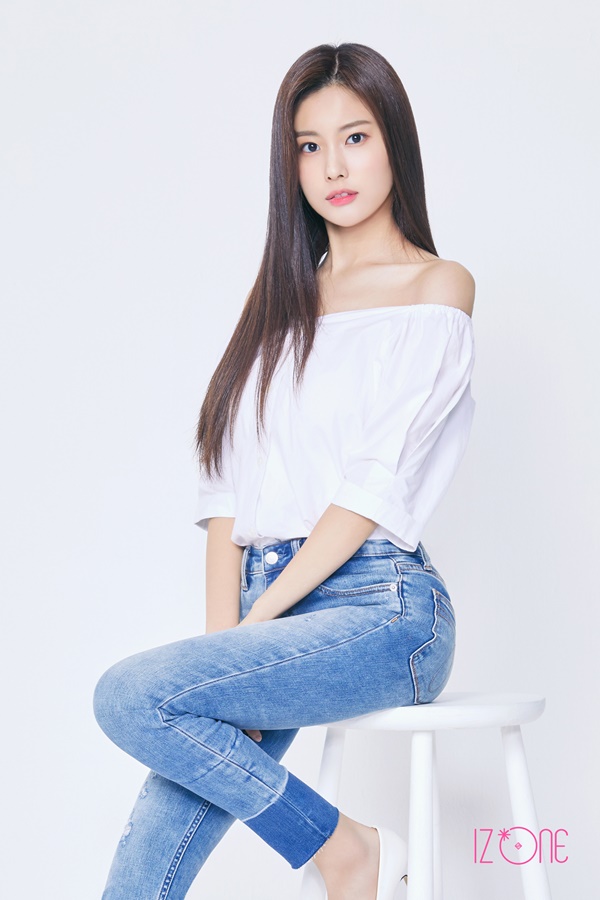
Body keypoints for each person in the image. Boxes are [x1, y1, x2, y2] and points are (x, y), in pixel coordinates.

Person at [93, 41, 476, 900]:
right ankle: (344, 847)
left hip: (383, 610)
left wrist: (251, 629)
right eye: (309, 146)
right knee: (145, 861)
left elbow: (367, 491)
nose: (332, 166)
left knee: (128, 696)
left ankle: (346, 854)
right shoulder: (278, 308)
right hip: (268, 607)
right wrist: (224, 642)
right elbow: (228, 498)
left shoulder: (436, 289)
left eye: (355, 137)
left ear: (395, 143)